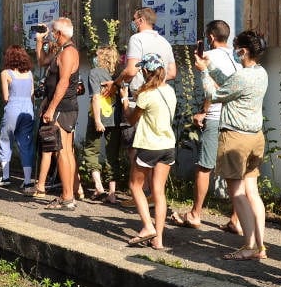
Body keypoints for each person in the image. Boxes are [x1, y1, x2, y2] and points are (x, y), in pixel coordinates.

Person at [193, 29, 269, 261]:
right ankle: (260, 246)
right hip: (255, 136)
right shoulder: (260, 73)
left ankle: (248, 245)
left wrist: (204, 73)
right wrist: (210, 66)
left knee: (236, 193)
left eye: (237, 48)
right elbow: (230, 83)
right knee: (252, 192)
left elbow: (214, 95)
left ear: (243, 51)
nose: (234, 52)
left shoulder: (243, 76)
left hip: (236, 138)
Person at [169, 20, 241, 233]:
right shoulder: (238, 56)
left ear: (210, 37)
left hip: (216, 115)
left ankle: (195, 214)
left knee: (204, 165)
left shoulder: (209, 57)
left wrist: (203, 111)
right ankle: (236, 218)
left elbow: (212, 88)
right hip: (236, 118)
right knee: (236, 170)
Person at [119, 53, 176, 250]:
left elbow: (130, 119)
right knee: (159, 191)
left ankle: (147, 226)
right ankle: (158, 239)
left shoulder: (145, 95)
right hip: (168, 146)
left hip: (149, 146)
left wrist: (125, 100)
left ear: (145, 70)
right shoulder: (170, 91)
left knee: (135, 186)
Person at [35, 17, 81, 210]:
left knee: (61, 152)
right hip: (64, 107)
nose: (52, 34)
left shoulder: (68, 52)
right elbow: (41, 61)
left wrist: (51, 108)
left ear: (59, 33)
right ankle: (68, 195)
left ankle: (67, 197)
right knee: (66, 151)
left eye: (53, 31)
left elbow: (63, 83)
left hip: (63, 108)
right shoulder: (61, 51)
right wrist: (39, 41)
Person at [83, 45, 122, 204]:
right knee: (112, 155)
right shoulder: (118, 75)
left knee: (91, 150)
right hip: (115, 119)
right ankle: (112, 192)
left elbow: (96, 97)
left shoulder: (94, 73)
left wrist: (97, 120)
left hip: (98, 118)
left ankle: (99, 186)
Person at [0, 44, 35, 189]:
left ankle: (6, 177)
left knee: (5, 141)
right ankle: (27, 181)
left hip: (13, 107)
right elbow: (31, 94)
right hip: (28, 110)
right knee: (26, 144)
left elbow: (6, 97)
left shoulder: (6, 73)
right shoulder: (29, 73)